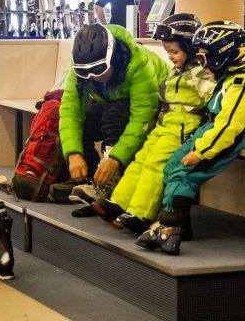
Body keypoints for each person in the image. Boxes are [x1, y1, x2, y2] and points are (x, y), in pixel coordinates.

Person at [136, 21, 245, 255]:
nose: (201, 63)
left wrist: (201, 151)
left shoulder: (244, 83)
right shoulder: (229, 76)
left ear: (222, 54)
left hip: (226, 140)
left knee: (183, 174)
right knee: (172, 166)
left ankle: (169, 232)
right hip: (211, 132)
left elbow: (229, 127)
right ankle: (178, 226)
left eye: (205, 57)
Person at [93, 14, 215, 230]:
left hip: (182, 128)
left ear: (191, 48)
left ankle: (140, 213)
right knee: (141, 159)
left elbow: (214, 98)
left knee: (155, 165)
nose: (170, 57)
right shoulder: (178, 71)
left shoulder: (198, 73)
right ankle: (119, 202)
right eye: (168, 52)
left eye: (174, 52)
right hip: (165, 124)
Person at [59, 23, 169, 214]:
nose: (94, 77)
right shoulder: (80, 67)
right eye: (87, 73)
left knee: (114, 114)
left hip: (156, 110)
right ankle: (93, 185)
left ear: (113, 58)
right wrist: (73, 154)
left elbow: (142, 117)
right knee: (80, 125)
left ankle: (112, 187)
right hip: (115, 106)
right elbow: (70, 110)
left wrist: (115, 159)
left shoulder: (138, 62)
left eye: (100, 70)